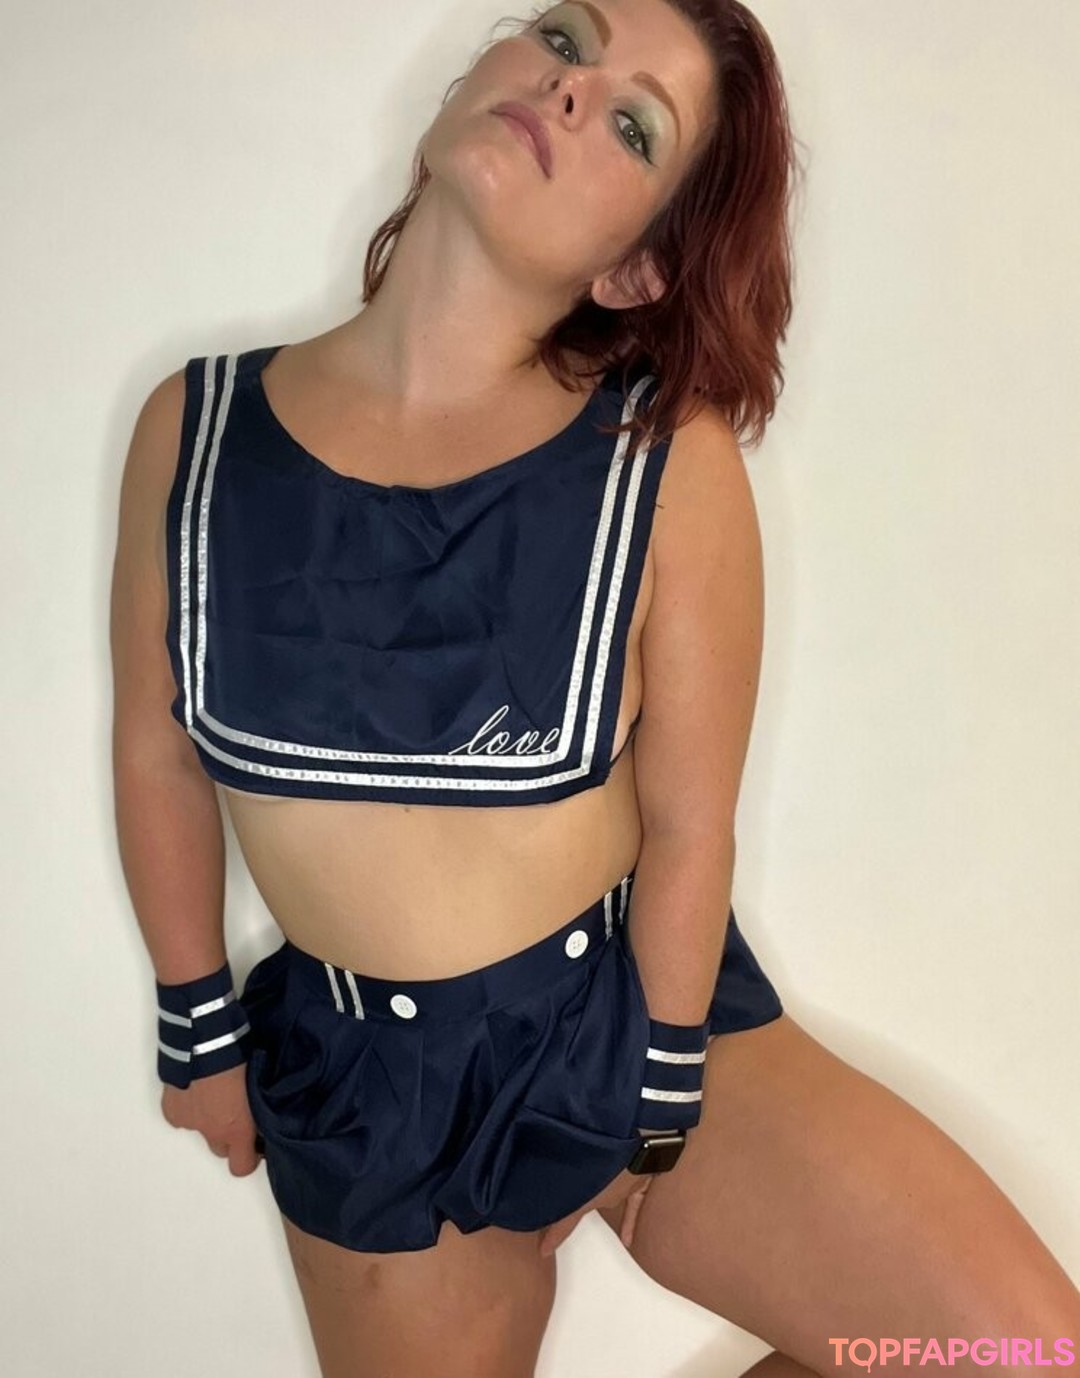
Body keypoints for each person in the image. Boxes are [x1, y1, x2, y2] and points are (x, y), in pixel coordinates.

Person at [109, 1, 1080, 1375]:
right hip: (373, 1097)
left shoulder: (662, 456)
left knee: (1021, 1358)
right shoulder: (198, 429)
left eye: (633, 124)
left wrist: (659, 1087)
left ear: (635, 269)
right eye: (564, 41)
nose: (569, 89)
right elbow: (155, 750)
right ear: (476, 79)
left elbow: (689, 820)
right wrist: (196, 1027)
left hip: (633, 1008)